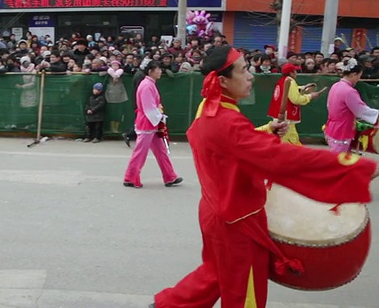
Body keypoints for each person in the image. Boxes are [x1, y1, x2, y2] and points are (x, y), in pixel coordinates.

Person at [151, 46, 379, 308]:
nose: (251, 76)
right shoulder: (226, 123)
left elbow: (230, 146)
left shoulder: (210, 106)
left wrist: (266, 130)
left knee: (216, 273)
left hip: (217, 210)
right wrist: (354, 167)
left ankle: (167, 305)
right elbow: (286, 160)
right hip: (238, 220)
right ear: (223, 80)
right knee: (244, 293)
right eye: (244, 70)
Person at [123, 61, 182, 188]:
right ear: (150, 71)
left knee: (161, 151)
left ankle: (170, 176)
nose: (160, 71)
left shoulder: (149, 84)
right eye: (158, 69)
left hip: (152, 123)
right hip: (147, 123)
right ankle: (131, 178)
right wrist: (160, 117)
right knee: (141, 153)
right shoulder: (147, 86)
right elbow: (149, 108)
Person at [325, 57, 379, 153]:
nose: (359, 79)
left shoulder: (336, 86)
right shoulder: (349, 91)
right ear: (354, 74)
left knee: (339, 157)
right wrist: (377, 115)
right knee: (339, 160)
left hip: (332, 126)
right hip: (342, 128)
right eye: (359, 76)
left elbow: (330, 106)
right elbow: (361, 110)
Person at [267, 63, 326, 145]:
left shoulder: (282, 80)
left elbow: (290, 92)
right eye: (295, 71)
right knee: (287, 142)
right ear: (291, 72)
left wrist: (304, 88)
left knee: (291, 139)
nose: (296, 73)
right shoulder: (290, 81)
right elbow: (296, 99)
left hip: (280, 114)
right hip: (285, 116)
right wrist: (310, 96)